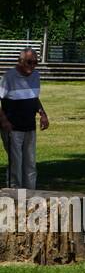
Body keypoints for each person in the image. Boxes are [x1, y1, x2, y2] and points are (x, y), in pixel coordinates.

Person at [0, 48, 49, 190]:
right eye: (29, 62)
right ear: (20, 61)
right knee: (16, 164)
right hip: (12, 128)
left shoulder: (35, 76)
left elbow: (33, 97)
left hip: (29, 127)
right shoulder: (9, 77)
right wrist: (3, 120)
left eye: (35, 62)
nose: (33, 66)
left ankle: (31, 196)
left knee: (30, 164)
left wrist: (42, 113)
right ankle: (14, 197)